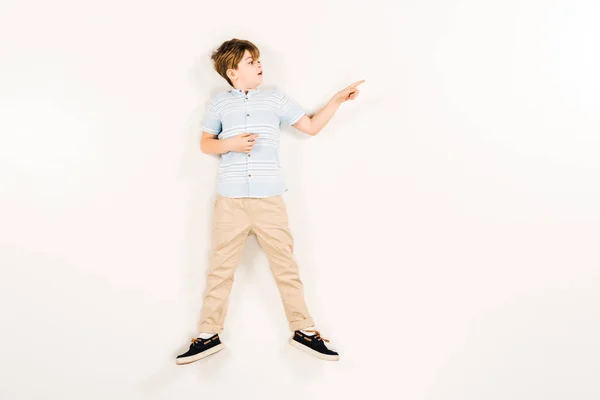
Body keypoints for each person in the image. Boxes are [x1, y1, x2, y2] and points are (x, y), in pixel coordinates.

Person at [176, 38, 364, 364]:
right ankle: (208, 335)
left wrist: (336, 100)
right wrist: (230, 143)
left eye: (258, 59)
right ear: (233, 72)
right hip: (230, 202)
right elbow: (205, 144)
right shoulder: (220, 104)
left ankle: (303, 329)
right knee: (220, 270)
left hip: (269, 201)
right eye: (251, 62)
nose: (259, 65)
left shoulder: (275, 99)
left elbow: (311, 127)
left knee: (286, 268)